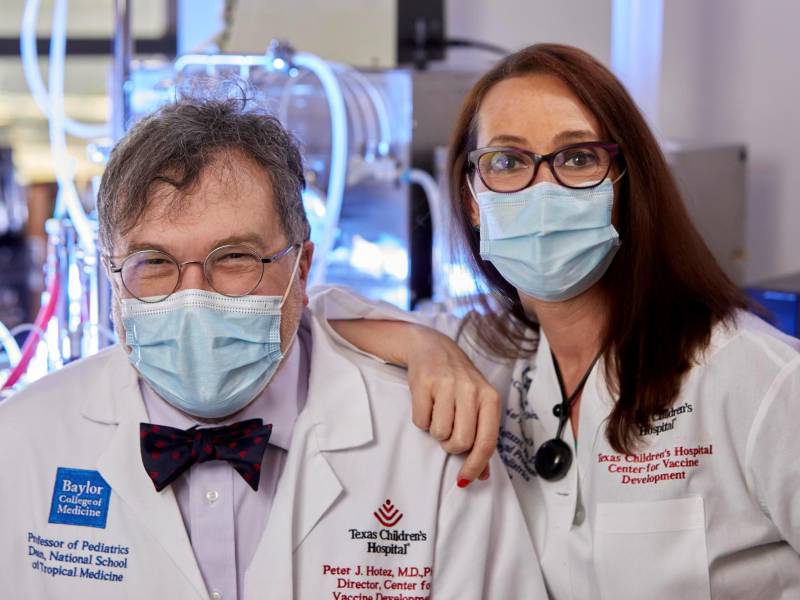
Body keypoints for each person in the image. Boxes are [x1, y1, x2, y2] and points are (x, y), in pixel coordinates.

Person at [0, 96, 547, 599]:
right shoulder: (22, 442)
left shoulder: (429, 446)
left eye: (235, 257)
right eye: (155, 262)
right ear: (112, 275)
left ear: (302, 269)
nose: (193, 298)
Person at [320, 43, 800, 599]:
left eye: (577, 158)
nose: (542, 190)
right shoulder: (486, 351)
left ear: (625, 182)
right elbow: (311, 323)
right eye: (507, 161)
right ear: (473, 200)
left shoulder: (755, 378)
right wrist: (423, 347)